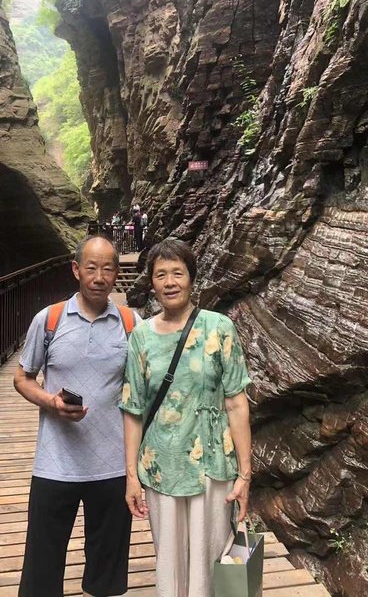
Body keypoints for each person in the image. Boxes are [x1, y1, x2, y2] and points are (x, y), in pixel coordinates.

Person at [120, 238, 252, 597]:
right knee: (170, 559)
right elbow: (133, 410)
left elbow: (237, 404)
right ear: (152, 282)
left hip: (213, 465)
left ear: (192, 278)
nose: (170, 282)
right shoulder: (141, 337)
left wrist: (245, 474)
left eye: (177, 273)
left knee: (212, 555)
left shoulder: (219, 328)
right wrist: (131, 477)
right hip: (161, 466)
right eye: (160, 274)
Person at [15, 235, 140, 597]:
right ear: (76, 270)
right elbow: (22, 378)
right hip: (55, 463)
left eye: (107, 269)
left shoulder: (132, 323)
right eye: (91, 268)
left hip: (113, 466)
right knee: (41, 568)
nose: (99, 277)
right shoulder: (49, 320)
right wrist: (50, 402)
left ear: (116, 274)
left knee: (107, 574)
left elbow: (143, 389)